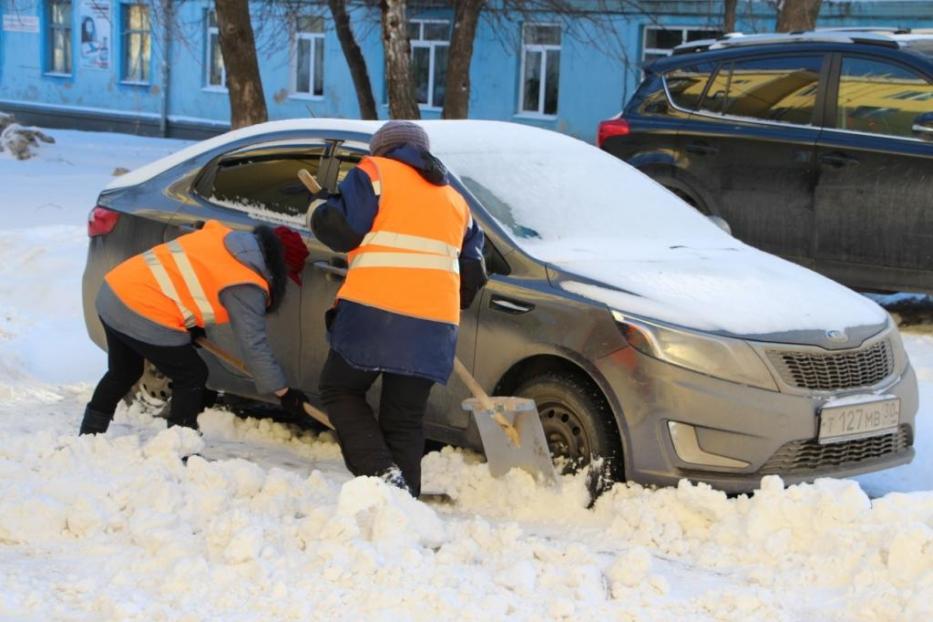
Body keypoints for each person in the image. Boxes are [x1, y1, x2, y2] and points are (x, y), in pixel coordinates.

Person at [309, 120, 488, 497]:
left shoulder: (375, 173)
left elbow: (341, 230)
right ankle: (402, 508)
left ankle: (382, 476)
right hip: (435, 326)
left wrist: (319, 210)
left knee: (339, 390)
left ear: (382, 149)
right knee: (403, 419)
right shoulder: (456, 200)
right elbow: (474, 274)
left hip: (375, 313)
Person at [79, 220, 311, 435]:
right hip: (142, 309)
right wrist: (284, 392)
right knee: (191, 374)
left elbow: (188, 278)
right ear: (279, 267)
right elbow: (253, 345)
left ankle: (90, 433)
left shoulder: (222, 237)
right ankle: (181, 443)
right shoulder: (246, 282)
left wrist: (190, 325)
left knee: (124, 371)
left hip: (113, 292)